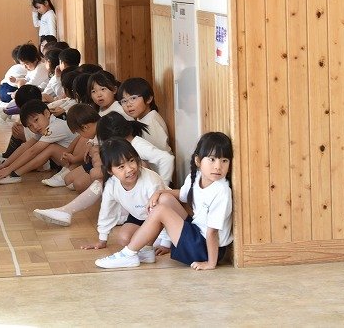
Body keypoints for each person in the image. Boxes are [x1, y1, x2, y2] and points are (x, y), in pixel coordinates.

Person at [93, 132, 233, 270]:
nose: (218, 166)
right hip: (198, 235)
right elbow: (183, 195)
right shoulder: (196, 176)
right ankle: (146, 252)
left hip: (206, 250)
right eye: (212, 159)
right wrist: (159, 192)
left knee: (160, 210)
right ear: (198, 161)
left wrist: (211, 263)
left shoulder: (221, 191)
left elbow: (212, 232)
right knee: (164, 199)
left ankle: (128, 254)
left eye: (224, 161)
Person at [33, 112, 174, 232]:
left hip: (149, 194)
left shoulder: (138, 145)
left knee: (124, 172)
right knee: (107, 180)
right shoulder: (126, 147)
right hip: (137, 193)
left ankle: (66, 211)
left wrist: (161, 190)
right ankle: (66, 211)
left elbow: (167, 158)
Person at [80, 138, 167, 265]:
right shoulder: (111, 185)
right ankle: (148, 244)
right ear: (110, 171)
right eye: (121, 167)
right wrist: (102, 239)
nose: (130, 169)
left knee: (150, 237)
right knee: (124, 238)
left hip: (161, 217)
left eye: (131, 161)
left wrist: (166, 243)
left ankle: (155, 245)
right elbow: (107, 211)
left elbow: (164, 211)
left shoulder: (151, 181)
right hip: (140, 215)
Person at [0, 100, 79, 184]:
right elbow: (26, 147)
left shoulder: (54, 127)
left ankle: (14, 175)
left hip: (77, 163)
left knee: (50, 148)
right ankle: (12, 173)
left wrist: (8, 170)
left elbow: (32, 151)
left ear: (47, 113)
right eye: (30, 126)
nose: (35, 126)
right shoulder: (45, 126)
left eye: (36, 120)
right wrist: (5, 165)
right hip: (67, 160)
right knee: (45, 147)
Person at [117, 77, 171, 152]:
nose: (128, 104)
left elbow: (163, 153)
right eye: (124, 101)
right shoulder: (143, 117)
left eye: (133, 98)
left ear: (148, 99)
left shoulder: (151, 122)